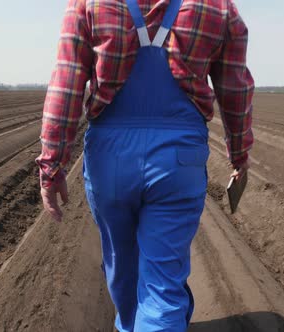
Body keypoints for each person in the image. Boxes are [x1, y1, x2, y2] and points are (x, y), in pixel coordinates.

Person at [36, 0, 254, 330]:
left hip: (110, 159)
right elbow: (235, 87)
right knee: (163, 283)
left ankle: (130, 323)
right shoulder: (218, 7)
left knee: (121, 266)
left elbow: (66, 80)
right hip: (178, 161)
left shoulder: (87, 3)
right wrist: (239, 154)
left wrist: (52, 163)